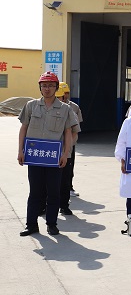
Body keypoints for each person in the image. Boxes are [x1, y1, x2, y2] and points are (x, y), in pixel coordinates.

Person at [18, 72, 79, 236]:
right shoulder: (31, 106)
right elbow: (23, 128)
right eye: (44, 85)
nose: (47, 89)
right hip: (34, 157)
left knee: (53, 192)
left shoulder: (65, 109)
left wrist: (65, 154)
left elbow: (68, 132)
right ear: (40, 87)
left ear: (56, 88)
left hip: (54, 158)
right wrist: (20, 150)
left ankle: (52, 224)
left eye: (51, 85)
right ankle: (31, 225)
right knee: (35, 192)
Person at [56, 83, 82, 215]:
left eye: (65, 94)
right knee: (47, 181)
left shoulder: (71, 109)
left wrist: (68, 148)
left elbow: (75, 130)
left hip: (66, 148)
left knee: (65, 179)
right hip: (51, 149)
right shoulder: (40, 107)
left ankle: (64, 205)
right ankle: (45, 205)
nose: (64, 97)